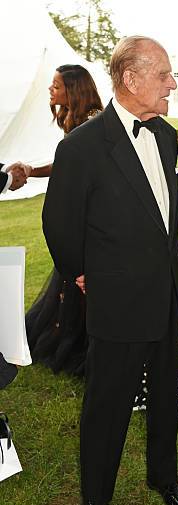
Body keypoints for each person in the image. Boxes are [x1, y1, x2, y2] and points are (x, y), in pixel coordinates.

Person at [42, 36, 178, 505]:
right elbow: (60, 223)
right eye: (165, 74)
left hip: (167, 292)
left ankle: (164, 477)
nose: (173, 83)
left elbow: (163, 216)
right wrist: (80, 271)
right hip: (117, 299)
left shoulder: (167, 136)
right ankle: (97, 499)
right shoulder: (81, 147)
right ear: (131, 80)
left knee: (167, 396)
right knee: (108, 403)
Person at [25, 64, 103, 377]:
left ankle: (86, 344)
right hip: (76, 211)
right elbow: (65, 166)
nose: (50, 90)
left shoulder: (95, 120)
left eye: (55, 85)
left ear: (72, 89)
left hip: (90, 215)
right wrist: (31, 171)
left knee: (81, 281)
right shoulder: (75, 119)